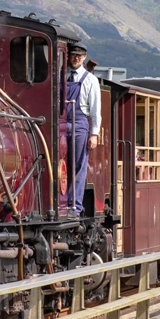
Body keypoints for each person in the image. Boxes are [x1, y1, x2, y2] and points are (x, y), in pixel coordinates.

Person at [63, 42, 101, 216]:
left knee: (78, 165)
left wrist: (94, 134)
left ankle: (74, 206)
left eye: (79, 55)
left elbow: (95, 110)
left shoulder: (90, 80)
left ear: (84, 57)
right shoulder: (61, 76)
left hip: (79, 124)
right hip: (61, 123)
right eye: (73, 55)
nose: (76, 58)